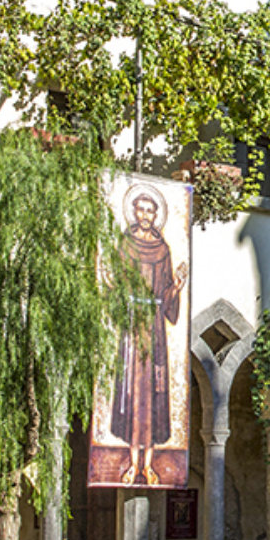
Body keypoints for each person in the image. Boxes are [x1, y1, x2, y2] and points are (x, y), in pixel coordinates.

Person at [108, 184, 186, 486]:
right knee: (132, 388)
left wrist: (176, 287)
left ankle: (149, 464)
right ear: (134, 212)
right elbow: (119, 281)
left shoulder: (163, 249)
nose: (145, 214)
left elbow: (166, 296)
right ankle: (131, 460)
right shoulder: (124, 244)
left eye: (150, 210)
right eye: (140, 209)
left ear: (156, 215)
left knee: (154, 391)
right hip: (132, 322)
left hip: (154, 327)